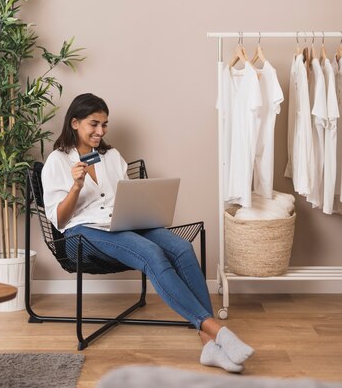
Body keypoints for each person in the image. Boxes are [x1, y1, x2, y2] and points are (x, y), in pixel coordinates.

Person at [42, 93, 254, 372]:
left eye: (105, 125)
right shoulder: (57, 162)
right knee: (152, 254)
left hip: (122, 222)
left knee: (181, 248)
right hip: (82, 233)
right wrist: (76, 186)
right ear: (75, 123)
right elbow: (59, 220)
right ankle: (217, 331)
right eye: (94, 124)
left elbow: (125, 197)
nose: (100, 131)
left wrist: (141, 209)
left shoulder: (112, 156)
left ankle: (208, 345)